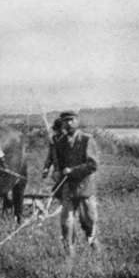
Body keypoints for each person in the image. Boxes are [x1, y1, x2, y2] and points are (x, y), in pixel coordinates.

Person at [55, 110, 99, 256]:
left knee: (89, 222)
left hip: (85, 188)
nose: (68, 123)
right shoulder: (59, 143)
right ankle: (69, 256)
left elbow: (93, 165)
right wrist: (57, 172)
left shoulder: (87, 140)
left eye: (71, 119)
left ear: (77, 121)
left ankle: (95, 250)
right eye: (65, 120)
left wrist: (72, 171)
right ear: (61, 123)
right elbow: (59, 165)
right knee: (66, 223)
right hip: (68, 188)